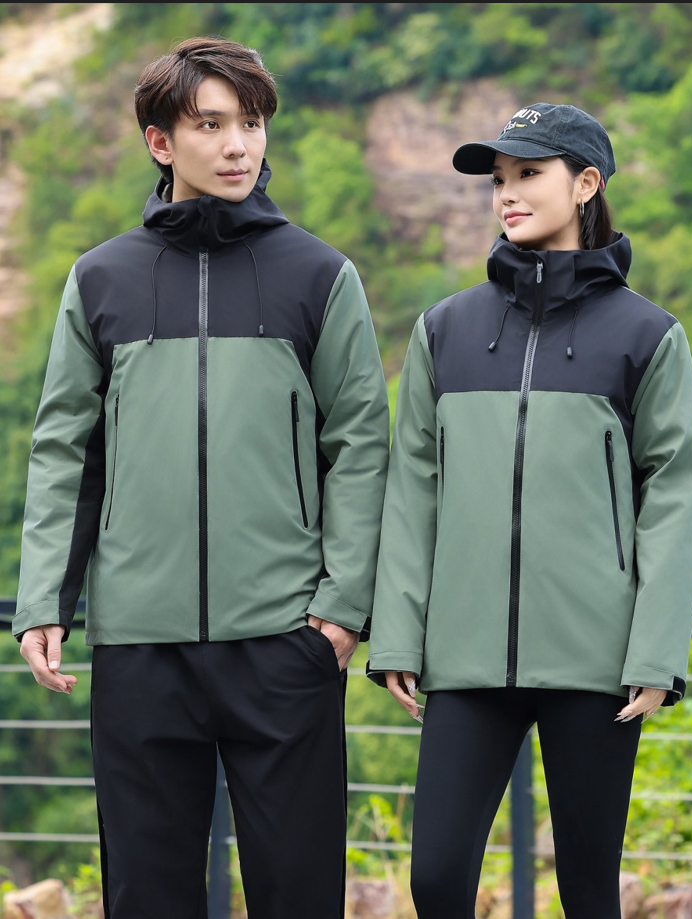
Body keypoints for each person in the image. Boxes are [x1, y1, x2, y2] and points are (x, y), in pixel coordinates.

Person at [13, 36, 390, 919]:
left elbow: (361, 445)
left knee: (299, 895)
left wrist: (341, 611)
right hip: (141, 645)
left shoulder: (320, 275)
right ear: (160, 141)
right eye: (211, 125)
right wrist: (44, 600)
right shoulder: (100, 278)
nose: (237, 146)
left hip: (284, 639)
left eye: (250, 124)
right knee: (146, 896)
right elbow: (66, 446)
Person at [367, 101, 692, 919]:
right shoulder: (445, 329)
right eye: (498, 179)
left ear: (585, 184)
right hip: (464, 653)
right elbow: (413, 485)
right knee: (436, 878)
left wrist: (655, 651)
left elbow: (672, 492)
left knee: (588, 888)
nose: (507, 194)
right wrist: (399, 633)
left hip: (595, 660)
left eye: (528, 174)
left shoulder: (645, 335)